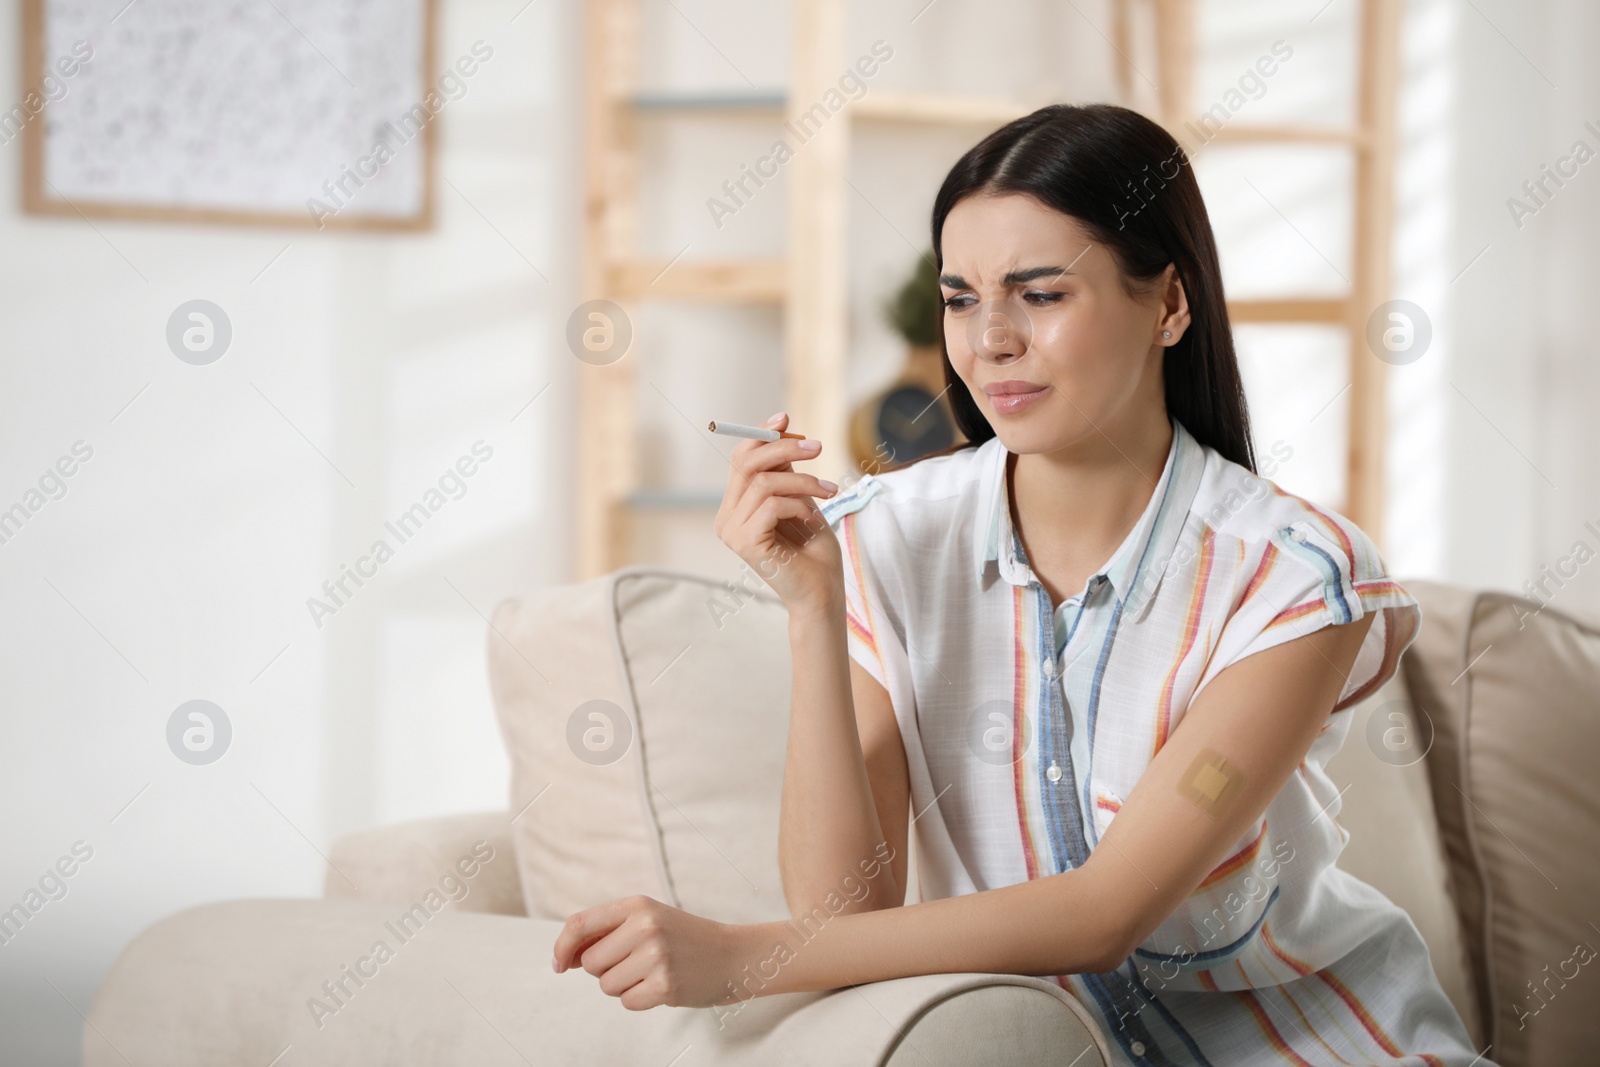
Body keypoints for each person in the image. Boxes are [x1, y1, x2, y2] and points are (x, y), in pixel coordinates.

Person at [552, 103, 1491, 1067]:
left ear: (1169, 303)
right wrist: (812, 608)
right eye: (961, 298)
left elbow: (1102, 915)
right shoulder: (890, 536)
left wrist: (742, 958)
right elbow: (845, 909)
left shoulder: (1295, 573)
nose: (990, 339)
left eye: (1040, 295)